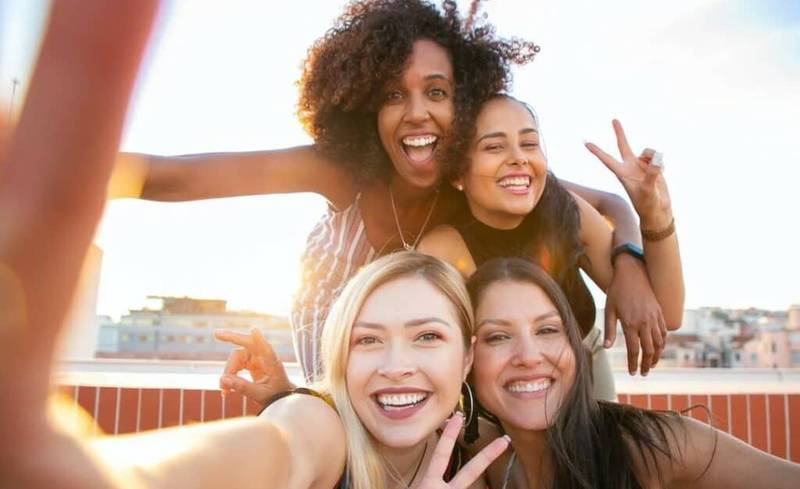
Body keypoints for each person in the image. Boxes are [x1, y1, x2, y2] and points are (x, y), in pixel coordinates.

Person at [110, 0, 666, 401]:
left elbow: (609, 208)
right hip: (333, 393)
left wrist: (630, 265)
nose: (417, 111)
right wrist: (48, 160)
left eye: (438, 92)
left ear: (467, 103)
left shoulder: (485, 177)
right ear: (363, 109)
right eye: (393, 94)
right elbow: (174, 179)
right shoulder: (343, 169)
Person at [417, 95, 684, 399]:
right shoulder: (443, 249)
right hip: (502, 398)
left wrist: (652, 220)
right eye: (494, 146)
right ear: (457, 173)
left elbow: (669, 314)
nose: (519, 157)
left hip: (585, 377)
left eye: (529, 144)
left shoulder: (564, 210)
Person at [465, 258, 800, 489]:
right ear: (466, 359)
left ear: (576, 349)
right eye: (497, 336)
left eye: (548, 330)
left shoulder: (653, 446)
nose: (529, 356)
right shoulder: (484, 457)